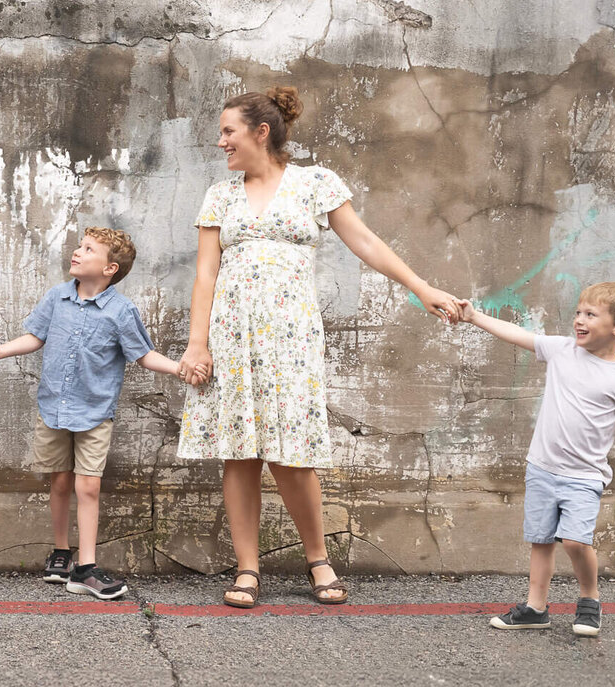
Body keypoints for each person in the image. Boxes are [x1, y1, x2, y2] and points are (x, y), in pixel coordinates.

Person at [176, 87, 461, 608]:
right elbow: (205, 272)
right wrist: (198, 345)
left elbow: (366, 242)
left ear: (261, 132)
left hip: (290, 339)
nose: (221, 142)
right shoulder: (220, 196)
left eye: (228, 132)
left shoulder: (314, 183)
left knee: (293, 456)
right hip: (231, 338)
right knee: (239, 455)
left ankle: (317, 558)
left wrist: (422, 288)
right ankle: (247, 569)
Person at [0, 227, 190, 600]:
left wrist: (178, 368)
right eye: (79, 246)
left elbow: (142, 354)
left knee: (87, 484)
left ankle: (86, 568)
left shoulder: (122, 311)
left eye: (88, 249)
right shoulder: (57, 297)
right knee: (60, 481)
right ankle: (61, 552)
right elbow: (36, 337)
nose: (77, 252)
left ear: (109, 268)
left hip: (94, 412)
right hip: (53, 407)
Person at [460, 282, 615, 636]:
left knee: (574, 541)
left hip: (585, 476)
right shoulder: (561, 350)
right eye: (578, 313)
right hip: (541, 468)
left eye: (591, 315)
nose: (579, 321)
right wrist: (474, 316)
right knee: (540, 540)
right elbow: (516, 334)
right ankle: (535, 608)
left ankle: (589, 599)